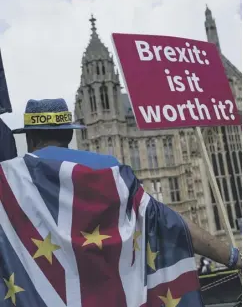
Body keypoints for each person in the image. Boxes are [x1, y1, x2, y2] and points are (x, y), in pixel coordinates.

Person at [13, 98, 242, 271]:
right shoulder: (111, 171)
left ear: (30, 138)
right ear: (70, 135)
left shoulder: (10, 177)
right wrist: (232, 257)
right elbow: (168, 222)